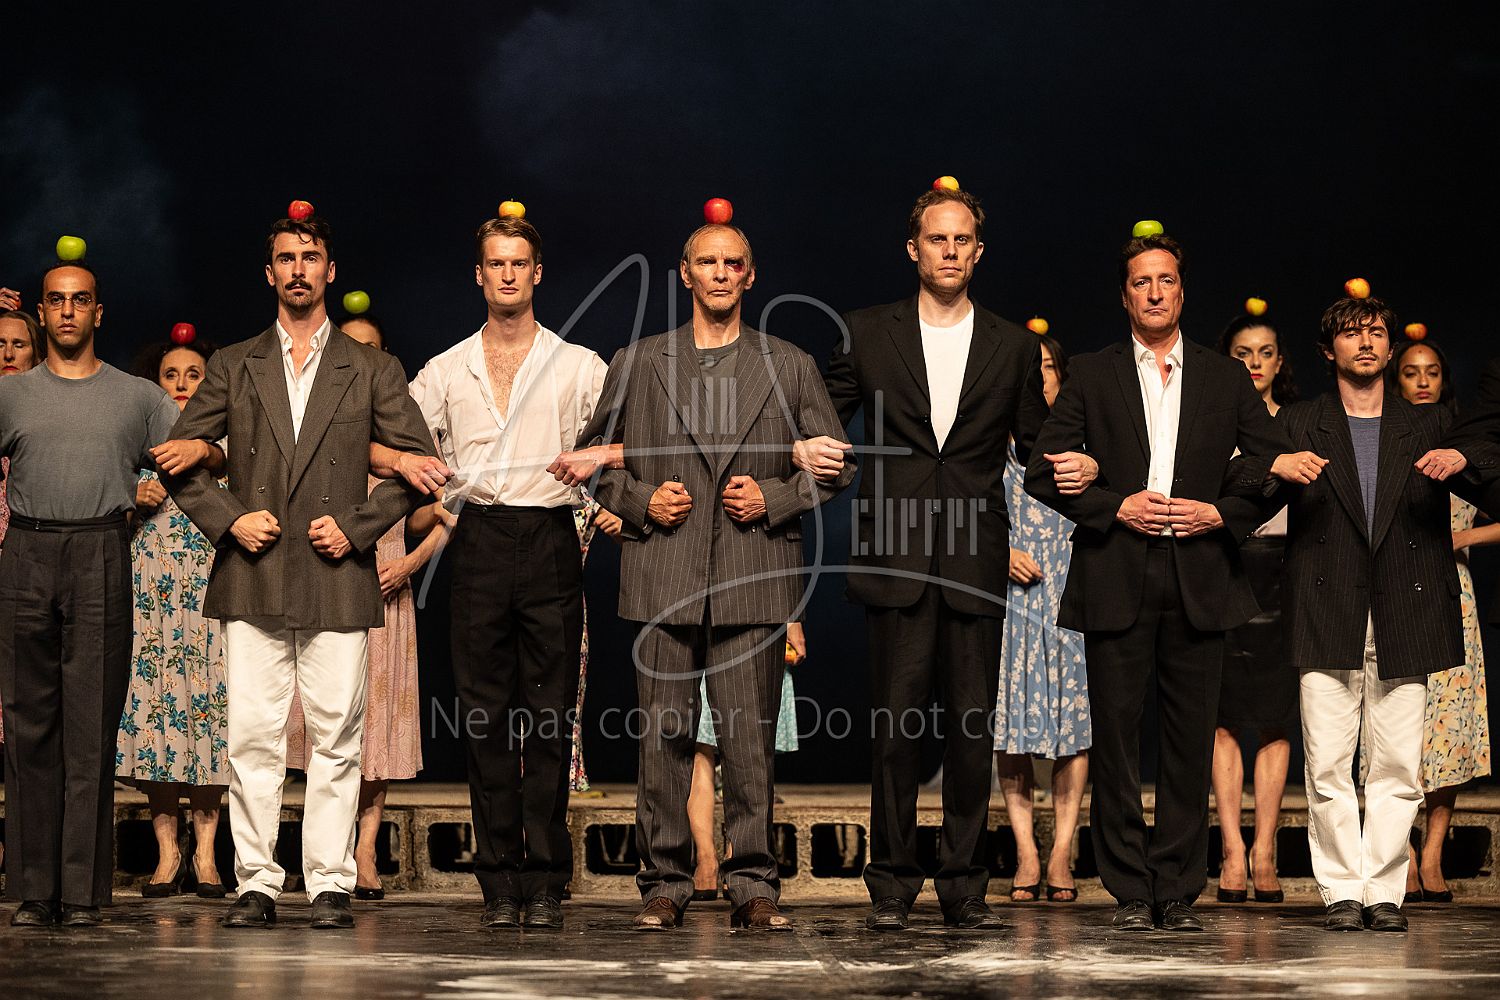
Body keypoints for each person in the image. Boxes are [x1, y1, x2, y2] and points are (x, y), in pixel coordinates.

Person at [553, 218, 853, 932]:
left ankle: (754, 884)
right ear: (685, 274)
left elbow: (838, 466)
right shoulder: (641, 360)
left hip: (754, 574)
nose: (720, 273)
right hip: (666, 571)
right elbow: (593, 461)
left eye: (733, 263)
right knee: (663, 737)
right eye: (707, 262)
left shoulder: (788, 364)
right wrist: (641, 501)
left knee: (748, 742)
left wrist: (776, 496)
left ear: (751, 275)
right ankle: (664, 882)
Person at [162, 212, 445, 931]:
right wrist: (230, 519)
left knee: (337, 735)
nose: (298, 269)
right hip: (255, 568)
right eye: (286, 258)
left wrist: (357, 526)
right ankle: (256, 880)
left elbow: (419, 465)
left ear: (330, 270)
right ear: (270, 274)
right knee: (252, 735)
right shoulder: (235, 362)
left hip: (335, 571)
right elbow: (180, 458)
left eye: (310, 257)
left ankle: (328, 881)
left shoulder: (371, 367)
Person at [1025, 232, 1297, 932]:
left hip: (1199, 572)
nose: (1154, 292)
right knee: (1116, 741)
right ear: (1125, 296)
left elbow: (1272, 466)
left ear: (1182, 291)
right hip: (1116, 569)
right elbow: (1040, 472)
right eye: (1141, 281)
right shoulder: (1094, 372)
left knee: (1188, 739)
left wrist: (1223, 514)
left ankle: (1176, 887)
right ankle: (1126, 887)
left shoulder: (1223, 375)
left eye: (1166, 280)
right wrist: (1113, 504)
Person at [797, 185, 1048, 932]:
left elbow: (1040, 447)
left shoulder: (1012, 344)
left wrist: (1092, 467)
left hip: (975, 552)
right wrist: (804, 447)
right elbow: (818, 414)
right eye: (937, 239)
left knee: (971, 730)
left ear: (978, 251)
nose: (949, 250)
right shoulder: (867, 332)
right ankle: (892, 883)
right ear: (914, 249)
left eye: (961, 239)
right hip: (895, 551)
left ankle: (965, 883)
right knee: (896, 731)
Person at [1260, 295, 1499, 932]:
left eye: (1375, 333)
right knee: (1328, 762)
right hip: (1326, 605)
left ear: (1390, 349)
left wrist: (1466, 460)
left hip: (1407, 605)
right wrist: (1274, 467)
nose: (1365, 342)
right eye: (1350, 333)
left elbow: (1489, 467)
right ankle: (1343, 889)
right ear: (1328, 349)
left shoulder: (1431, 423)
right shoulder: (1301, 421)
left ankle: (1385, 891)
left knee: (1397, 763)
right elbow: (1249, 489)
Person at [403, 215, 606, 931]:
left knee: (550, 718)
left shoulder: (578, 364)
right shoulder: (445, 368)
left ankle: (546, 880)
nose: (509, 274)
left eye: (520, 262)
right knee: (485, 718)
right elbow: (398, 441)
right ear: (479, 275)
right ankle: (497, 881)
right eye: (497, 263)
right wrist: (426, 486)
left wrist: (602, 473)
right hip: (480, 537)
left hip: (549, 534)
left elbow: (625, 439)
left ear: (537, 273)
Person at [0, 261, 181, 927]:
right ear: (41, 313)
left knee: (90, 726)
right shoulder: (12, 393)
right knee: (28, 725)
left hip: (101, 549)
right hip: (27, 550)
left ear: (98, 312)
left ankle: (79, 893)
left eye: (80, 301)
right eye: (56, 301)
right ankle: (34, 890)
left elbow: (197, 453)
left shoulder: (138, 397)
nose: (69, 311)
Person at [283, 313, 453, 900]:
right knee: (323, 724)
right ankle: (323, 848)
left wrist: (409, 565)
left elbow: (444, 513)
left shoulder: (404, 442)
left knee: (376, 726)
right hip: (327, 589)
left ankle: (366, 848)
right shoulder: (313, 430)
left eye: (369, 350)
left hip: (385, 595)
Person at [116, 334, 231, 899]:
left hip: (210, 598)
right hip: (151, 603)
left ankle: (206, 853)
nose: (182, 384)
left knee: (208, 716)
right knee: (158, 715)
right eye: (171, 374)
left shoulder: (227, 446)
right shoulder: (137, 447)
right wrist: (129, 494)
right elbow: (100, 497)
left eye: (193, 374)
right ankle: (168, 853)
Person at [1387, 339, 1493, 902]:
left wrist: (1461, 536)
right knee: (1396, 728)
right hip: (1395, 592)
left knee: (1448, 728)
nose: (1423, 381)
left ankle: (1431, 855)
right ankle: (1400, 853)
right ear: (1396, 379)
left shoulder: (1465, 443)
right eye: (1411, 372)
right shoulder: (1384, 436)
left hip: (1455, 594)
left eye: (1432, 371)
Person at [994, 333, 1090, 904]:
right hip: (1012, 602)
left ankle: (1061, 851)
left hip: (1071, 596)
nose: (1041, 378)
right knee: (1011, 727)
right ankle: (1027, 850)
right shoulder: (995, 446)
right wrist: (1000, 552)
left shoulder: (1082, 445)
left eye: (1049, 367)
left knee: (1073, 728)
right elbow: (969, 512)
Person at [1212, 314, 1299, 903]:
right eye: (1243, 352)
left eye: (1266, 352)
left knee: (1274, 717)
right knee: (1220, 718)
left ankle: (1265, 847)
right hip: (1224, 567)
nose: (1255, 363)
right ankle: (1230, 848)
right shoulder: (1212, 421)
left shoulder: (1295, 423)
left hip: (1283, 576)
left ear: (1279, 362)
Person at [688, 622, 805, 900]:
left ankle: (722, 861)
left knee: (732, 750)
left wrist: (791, 619)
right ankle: (713, 860)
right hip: (723, 622)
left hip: (750, 619)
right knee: (710, 749)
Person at [0, 308, 44, 877]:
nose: (9, 353)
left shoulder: (41, 408)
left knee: (24, 717)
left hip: (32, 572)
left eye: (18, 343)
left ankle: (26, 841)